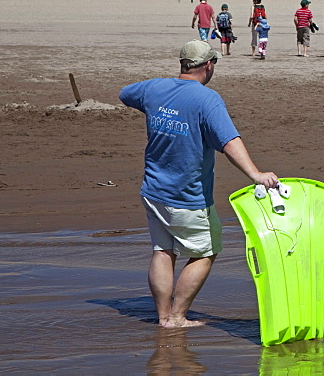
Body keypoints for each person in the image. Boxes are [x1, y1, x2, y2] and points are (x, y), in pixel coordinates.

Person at [119, 40, 278, 328]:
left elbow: (125, 93)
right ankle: (177, 317)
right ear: (208, 65)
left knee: (162, 250)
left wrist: (160, 109)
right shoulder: (207, 99)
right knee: (205, 251)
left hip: (154, 192)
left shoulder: (154, 88)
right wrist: (255, 175)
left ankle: (163, 317)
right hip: (187, 197)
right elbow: (230, 141)